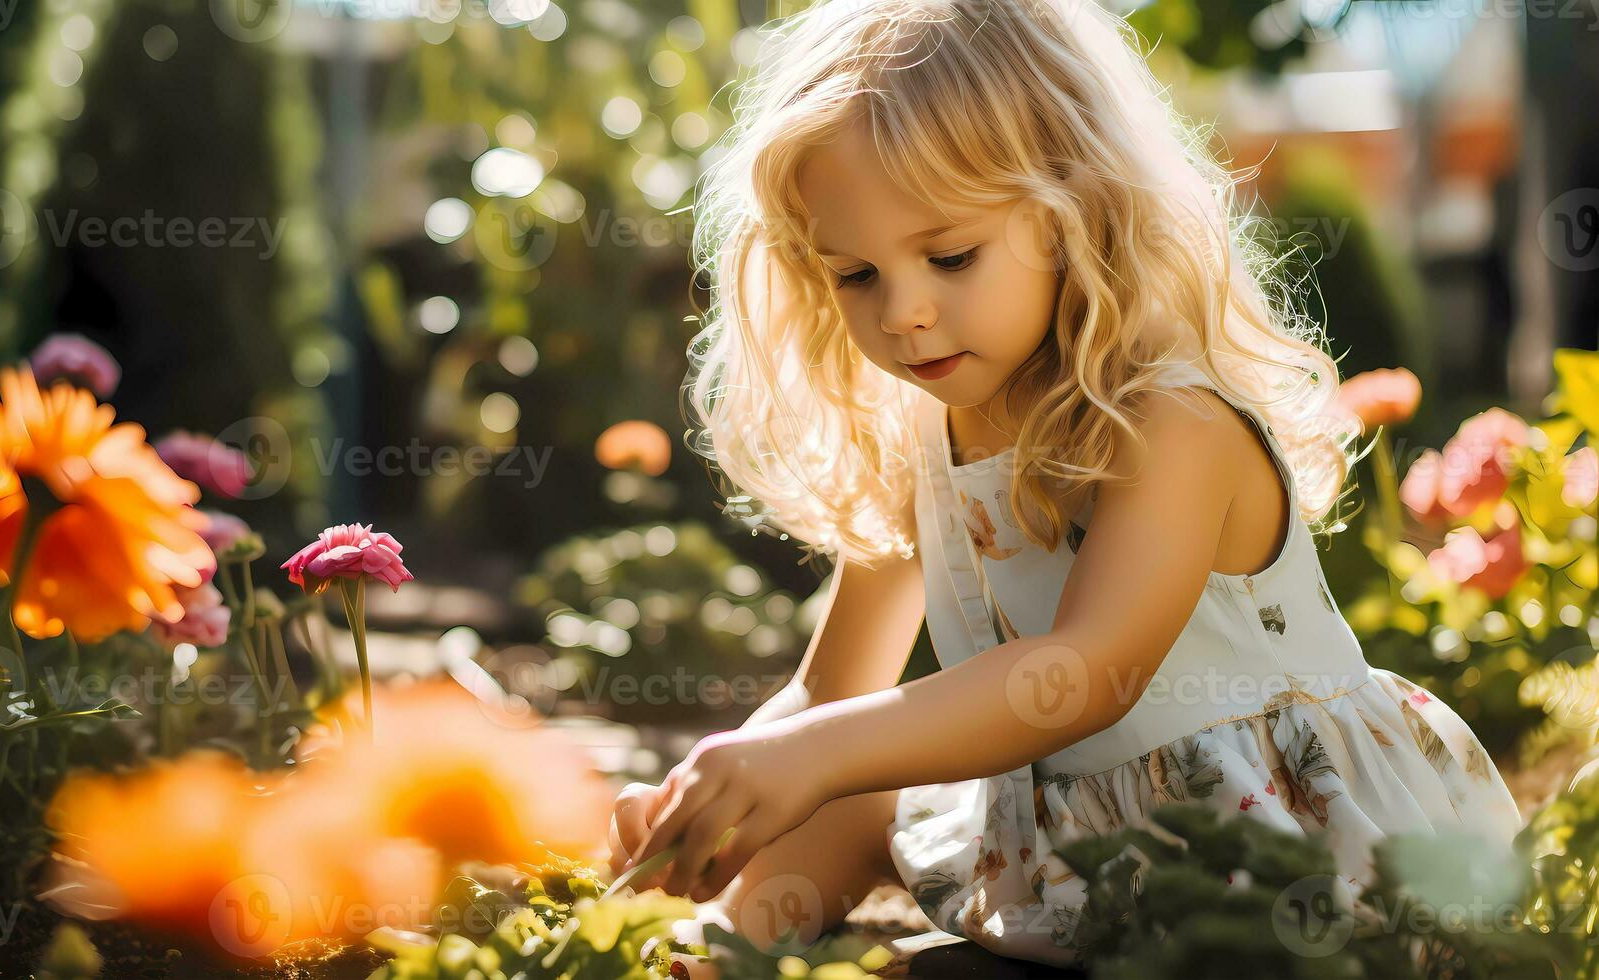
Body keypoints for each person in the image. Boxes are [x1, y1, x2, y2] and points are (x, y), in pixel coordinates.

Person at [606, 0, 1524, 967]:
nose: (904, 311)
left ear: (1074, 210)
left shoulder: (1172, 420)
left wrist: (816, 752)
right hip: (1075, 827)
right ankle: (725, 944)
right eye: (854, 274)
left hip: (1270, 836)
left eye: (950, 255)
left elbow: (1090, 674)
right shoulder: (926, 433)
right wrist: (714, 794)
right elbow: (830, 692)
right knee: (851, 784)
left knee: (853, 771)